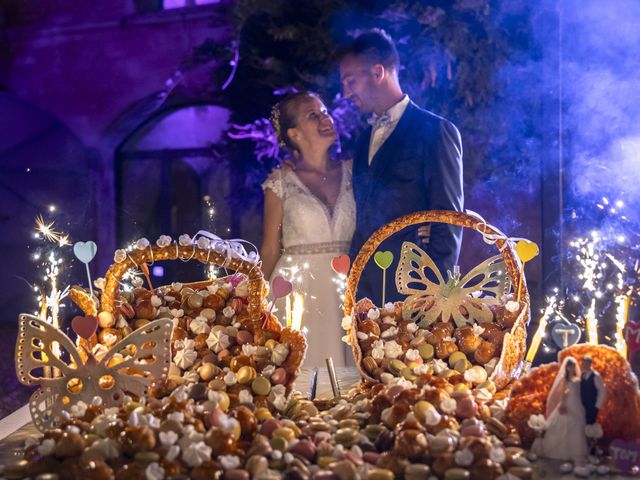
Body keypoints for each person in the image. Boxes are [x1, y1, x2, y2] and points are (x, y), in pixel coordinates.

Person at [339, 29, 464, 306]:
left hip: (414, 291)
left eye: (350, 81)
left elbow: (449, 220)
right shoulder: (362, 140)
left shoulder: (435, 131)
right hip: (364, 292)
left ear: (377, 72)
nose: (346, 93)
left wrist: (434, 295)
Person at [260, 91, 355, 368]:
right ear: (295, 134)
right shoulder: (280, 182)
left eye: (325, 112)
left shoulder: (355, 172)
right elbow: (269, 248)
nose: (325, 118)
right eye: (313, 115)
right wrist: (252, 305)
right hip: (296, 291)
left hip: (346, 286)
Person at [542, 356, 589, 464]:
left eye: (572, 366)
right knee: (564, 423)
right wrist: (562, 403)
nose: (571, 369)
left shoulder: (579, 378)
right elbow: (564, 392)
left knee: (577, 425)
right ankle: (562, 451)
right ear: (567, 368)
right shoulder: (565, 379)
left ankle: (575, 452)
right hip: (568, 401)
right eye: (569, 367)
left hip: (577, 402)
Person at [579, 355, 605, 455]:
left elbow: (602, 391)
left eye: (586, 363)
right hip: (582, 405)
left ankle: (592, 449)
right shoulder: (582, 374)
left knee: (590, 427)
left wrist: (597, 406)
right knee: (583, 426)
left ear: (590, 364)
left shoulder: (595, 375)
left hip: (591, 406)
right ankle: (584, 448)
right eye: (583, 363)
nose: (584, 365)